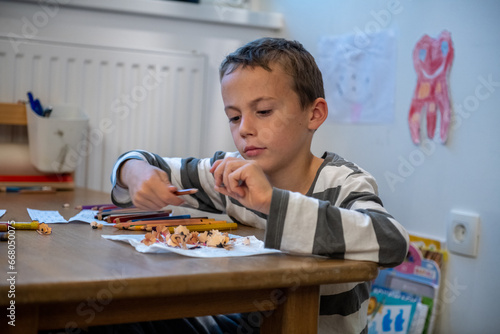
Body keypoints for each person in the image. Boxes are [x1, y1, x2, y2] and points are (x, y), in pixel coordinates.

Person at [109, 37, 409, 334]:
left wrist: (270, 202)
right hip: (251, 324)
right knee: (118, 317)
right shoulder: (229, 173)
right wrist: (135, 173)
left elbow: (393, 241)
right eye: (234, 117)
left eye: (263, 112)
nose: (245, 129)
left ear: (313, 114)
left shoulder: (342, 182)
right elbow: (145, 162)